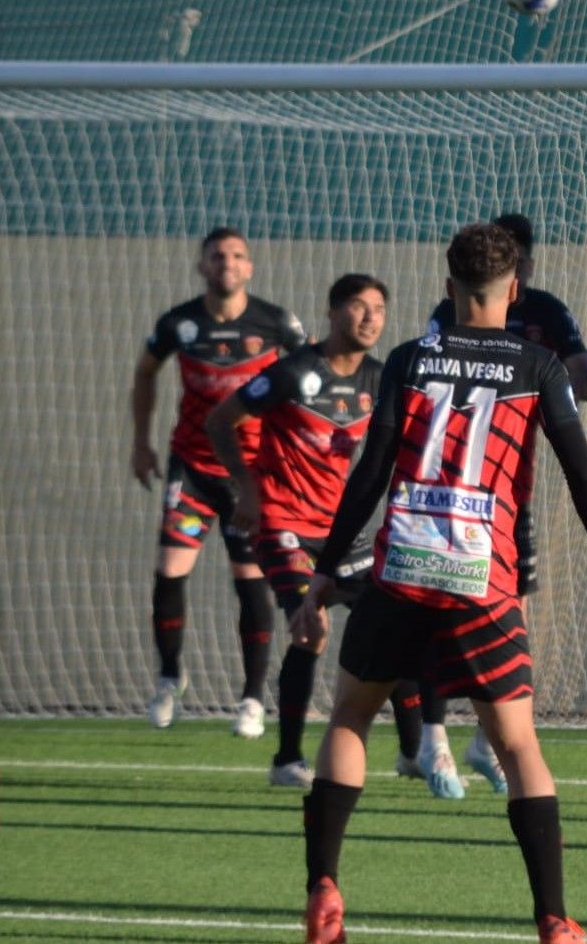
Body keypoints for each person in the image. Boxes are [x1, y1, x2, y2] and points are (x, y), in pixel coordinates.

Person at [293, 223, 587, 944]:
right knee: (516, 747)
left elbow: (372, 470)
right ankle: (553, 918)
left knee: (351, 717)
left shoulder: (411, 359)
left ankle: (325, 884)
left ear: (448, 290)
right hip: (483, 577)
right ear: (515, 289)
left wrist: (324, 573)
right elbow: (581, 468)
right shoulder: (538, 365)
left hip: (402, 570)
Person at [206, 273, 424, 788]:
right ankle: (286, 761)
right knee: (312, 630)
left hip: (343, 533)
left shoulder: (380, 378)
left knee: (392, 623)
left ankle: (415, 754)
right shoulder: (293, 372)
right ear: (331, 312)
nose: (370, 318)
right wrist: (248, 489)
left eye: (379, 309)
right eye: (358, 306)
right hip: (283, 527)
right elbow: (220, 420)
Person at [414, 211, 587, 799]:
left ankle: (484, 740)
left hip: (510, 497)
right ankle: (433, 737)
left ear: (525, 271)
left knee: (508, 610)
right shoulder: (447, 321)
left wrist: (564, 375)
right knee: (439, 608)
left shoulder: (546, 313)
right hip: (446, 497)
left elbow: (585, 380)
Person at [130, 227, 307, 735]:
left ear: (249, 267)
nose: (226, 263)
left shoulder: (277, 324)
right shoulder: (180, 323)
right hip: (192, 469)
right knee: (169, 570)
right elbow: (145, 372)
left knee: (250, 582)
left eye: (236, 256)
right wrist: (140, 442)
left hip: (249, 478)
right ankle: (169, 677)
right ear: (202, 266)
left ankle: (252, 699)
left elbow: (309, 378)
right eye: (216, 256)